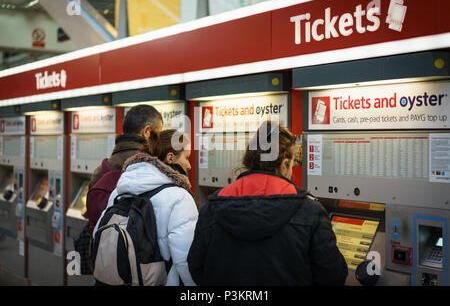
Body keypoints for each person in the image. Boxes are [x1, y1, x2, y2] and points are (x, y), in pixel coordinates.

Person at [187, 121, 348, 286]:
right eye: (292, 164)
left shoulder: (213, 207)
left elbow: (196, 267)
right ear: (285, 164)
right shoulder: (310, 212)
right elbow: (332, 275)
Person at [94, 129, 198, 286]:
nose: (189, 165)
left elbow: (97, 233)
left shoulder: (120, 190)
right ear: (171, 158)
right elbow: (185, 260)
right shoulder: (180, 197)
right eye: (187, 157)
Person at [86, 104, 163, 234]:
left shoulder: (99, 172)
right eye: (159, 134)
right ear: (147, 131)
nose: (159, 141)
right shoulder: (149, 169)